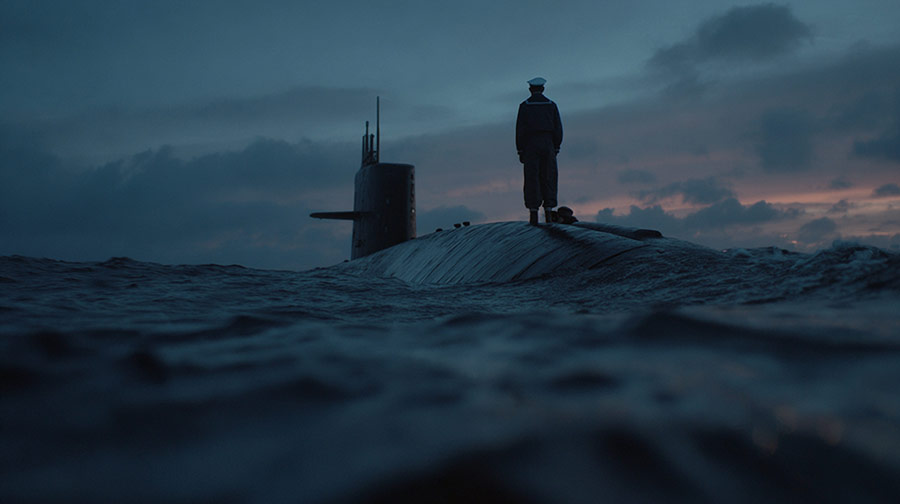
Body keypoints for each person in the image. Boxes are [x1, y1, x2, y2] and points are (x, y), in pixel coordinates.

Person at [516, 77, 563, 225]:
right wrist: (556, 146)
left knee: (532, 176)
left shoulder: (525, 106)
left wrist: (521, 150)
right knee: (549, 175)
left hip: (531, 143)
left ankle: (533, 212)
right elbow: (558, 128)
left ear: (530, 89)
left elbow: (520, 130)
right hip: (548, 142)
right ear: (543, 89)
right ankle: (548, 210)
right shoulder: (551, 105)